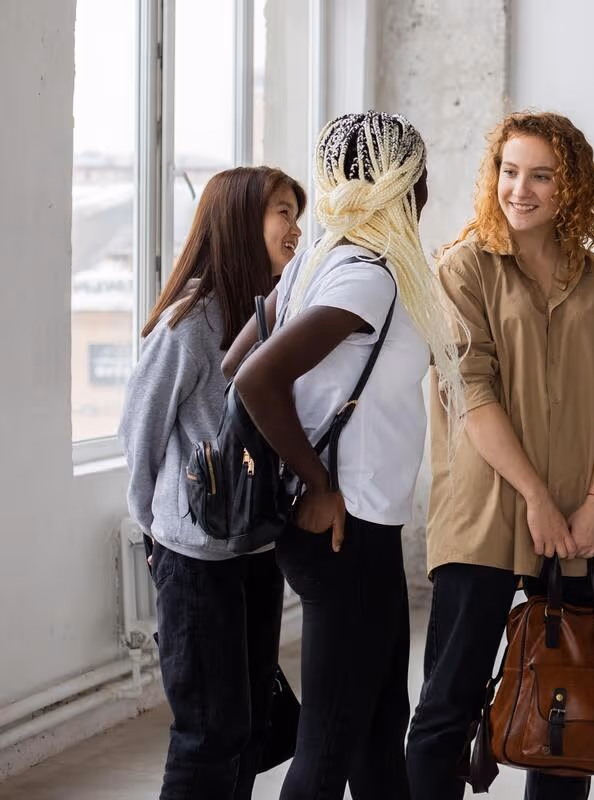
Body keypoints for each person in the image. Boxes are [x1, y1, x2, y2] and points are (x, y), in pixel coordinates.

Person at [228, 111, 467, 800]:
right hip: (343, 526)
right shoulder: (368, 277)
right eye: (419, 180)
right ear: (402, 185)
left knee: (377, 722)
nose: (425, 195)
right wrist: (317, 482)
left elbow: (238, 361)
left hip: (363, 527)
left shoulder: (320, 260)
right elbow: (252, 378)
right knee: (332, 737)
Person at [405, 110, 594, 800]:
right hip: (484, 514)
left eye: (541, 175)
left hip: (578, 521)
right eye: (510, 172)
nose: (521, 189)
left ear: (572, 186)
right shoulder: (463, 268)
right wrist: (535, 498)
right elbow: (470, 392)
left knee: (573, 705)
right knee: (449, 704)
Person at [119, 165, 304, 799]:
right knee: (208, 732)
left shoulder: (270, 312)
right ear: (240, 221)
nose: (296, 228)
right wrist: (156, 528)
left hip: (255, 548)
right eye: (283, 211)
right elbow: (139, 430)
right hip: (195, 558)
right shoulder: (193, 320)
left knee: (249, 728)